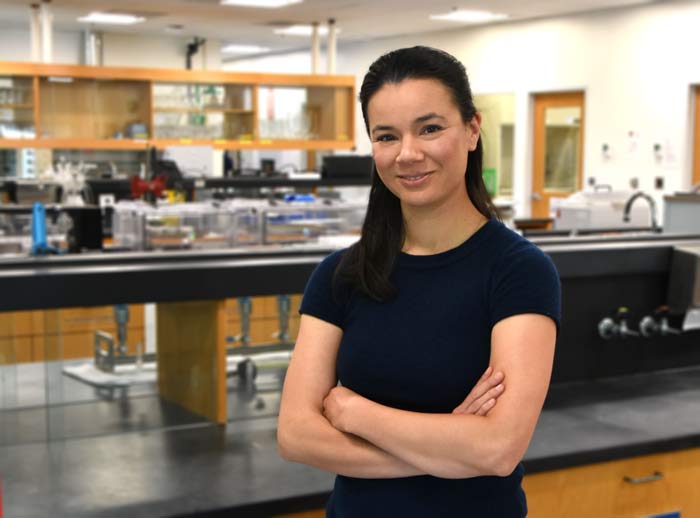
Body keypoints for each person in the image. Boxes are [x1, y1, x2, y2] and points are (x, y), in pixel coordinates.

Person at [278, 46, 560, 517]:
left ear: (472, 129)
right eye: (386, 136)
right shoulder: (340, 275)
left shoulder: (519, 271)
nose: (408, 154)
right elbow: (295, 436)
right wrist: (448, 447)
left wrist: (356, 414)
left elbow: (497, 449)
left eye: (430, 128)